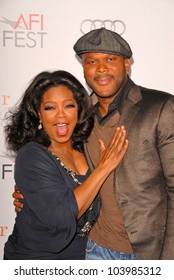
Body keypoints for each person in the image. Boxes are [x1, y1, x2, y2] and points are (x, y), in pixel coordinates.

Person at [13, 27, 174, 260]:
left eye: (110, 59)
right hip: (92, 249)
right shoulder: (80, 119)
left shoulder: (160, 108)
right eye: (91, 61)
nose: (101, 69)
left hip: (145, 252)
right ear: (84, 69)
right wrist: (31, 195)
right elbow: (59, 172)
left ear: (126, 64)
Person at [3, 70, 128, 260]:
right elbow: (61, 217)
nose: (60, 115)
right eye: (50, 108)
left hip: (87, 257)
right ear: (39, 114)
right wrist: (104, 168)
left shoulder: (87, 148)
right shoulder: (32, 155)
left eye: (69, 105)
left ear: (78, 110)